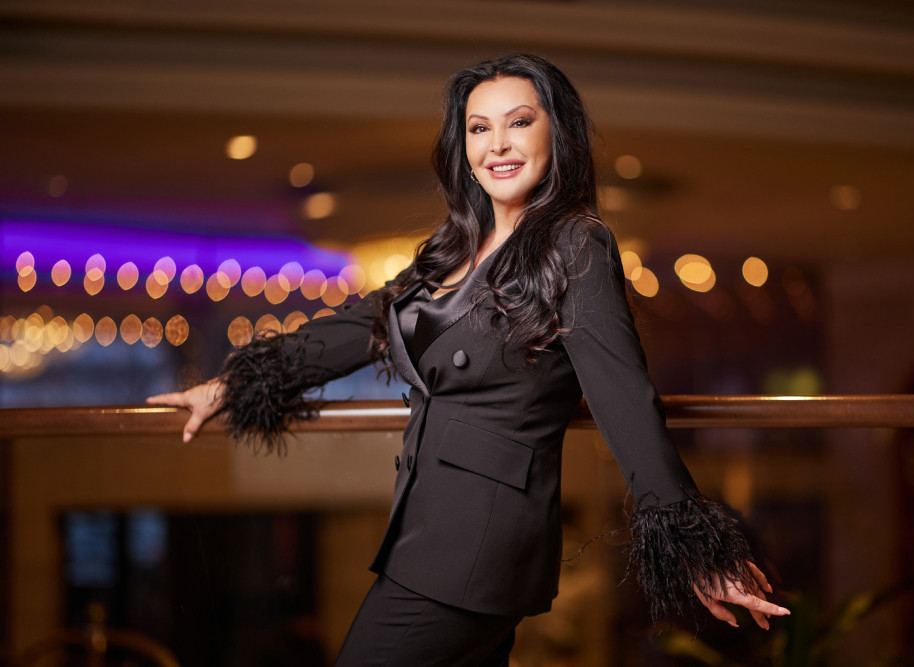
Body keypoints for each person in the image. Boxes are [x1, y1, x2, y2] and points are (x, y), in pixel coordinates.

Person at [148, 54, 789, 665]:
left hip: (479, 543)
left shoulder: (575, 243)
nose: (497, 145)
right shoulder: (454, 245)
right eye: (479, 128)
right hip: (425, 531)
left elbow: (624, 396)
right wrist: (236, 383)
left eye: (519, 122)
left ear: (557, 132)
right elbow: (363, 324)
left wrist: (695, 548)